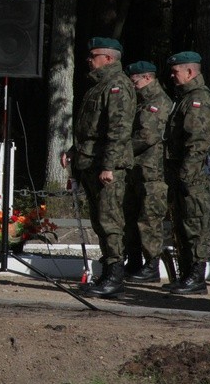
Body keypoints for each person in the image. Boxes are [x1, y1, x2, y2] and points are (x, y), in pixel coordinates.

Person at [61, 37, 136, 298]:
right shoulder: (99, 86)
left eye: (93, 55)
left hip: (105, 167)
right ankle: (107, 274)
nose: (88, 60)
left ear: (108, 59)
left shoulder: (117, 86)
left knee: (110, 221)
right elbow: (91, 128)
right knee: (100, 221)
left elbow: (118, 130)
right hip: (90, 162)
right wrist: (74, 151)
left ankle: (115, 276)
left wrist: (109, 166)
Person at [164, 51, 210, 295]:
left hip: (192, 176)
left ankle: (196, 277)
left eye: (176, 72)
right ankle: (187, 275)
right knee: (182, 225)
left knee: (194, 224)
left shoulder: (198, 99)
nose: (173, 76)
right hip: (181, 173)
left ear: (190, 72)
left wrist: (187, 174)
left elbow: (197, 142)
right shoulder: (185, 98)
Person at [122, 61, 173, 283]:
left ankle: (152, 265)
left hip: (152, 174)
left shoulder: (158, 102)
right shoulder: (140, 103)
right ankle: (133, 262)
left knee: (149, 219)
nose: (132, 86)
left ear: (147, 78)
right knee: (131, 218)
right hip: (136, 171)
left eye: (134, 82)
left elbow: (147, 136)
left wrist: (118, 152)